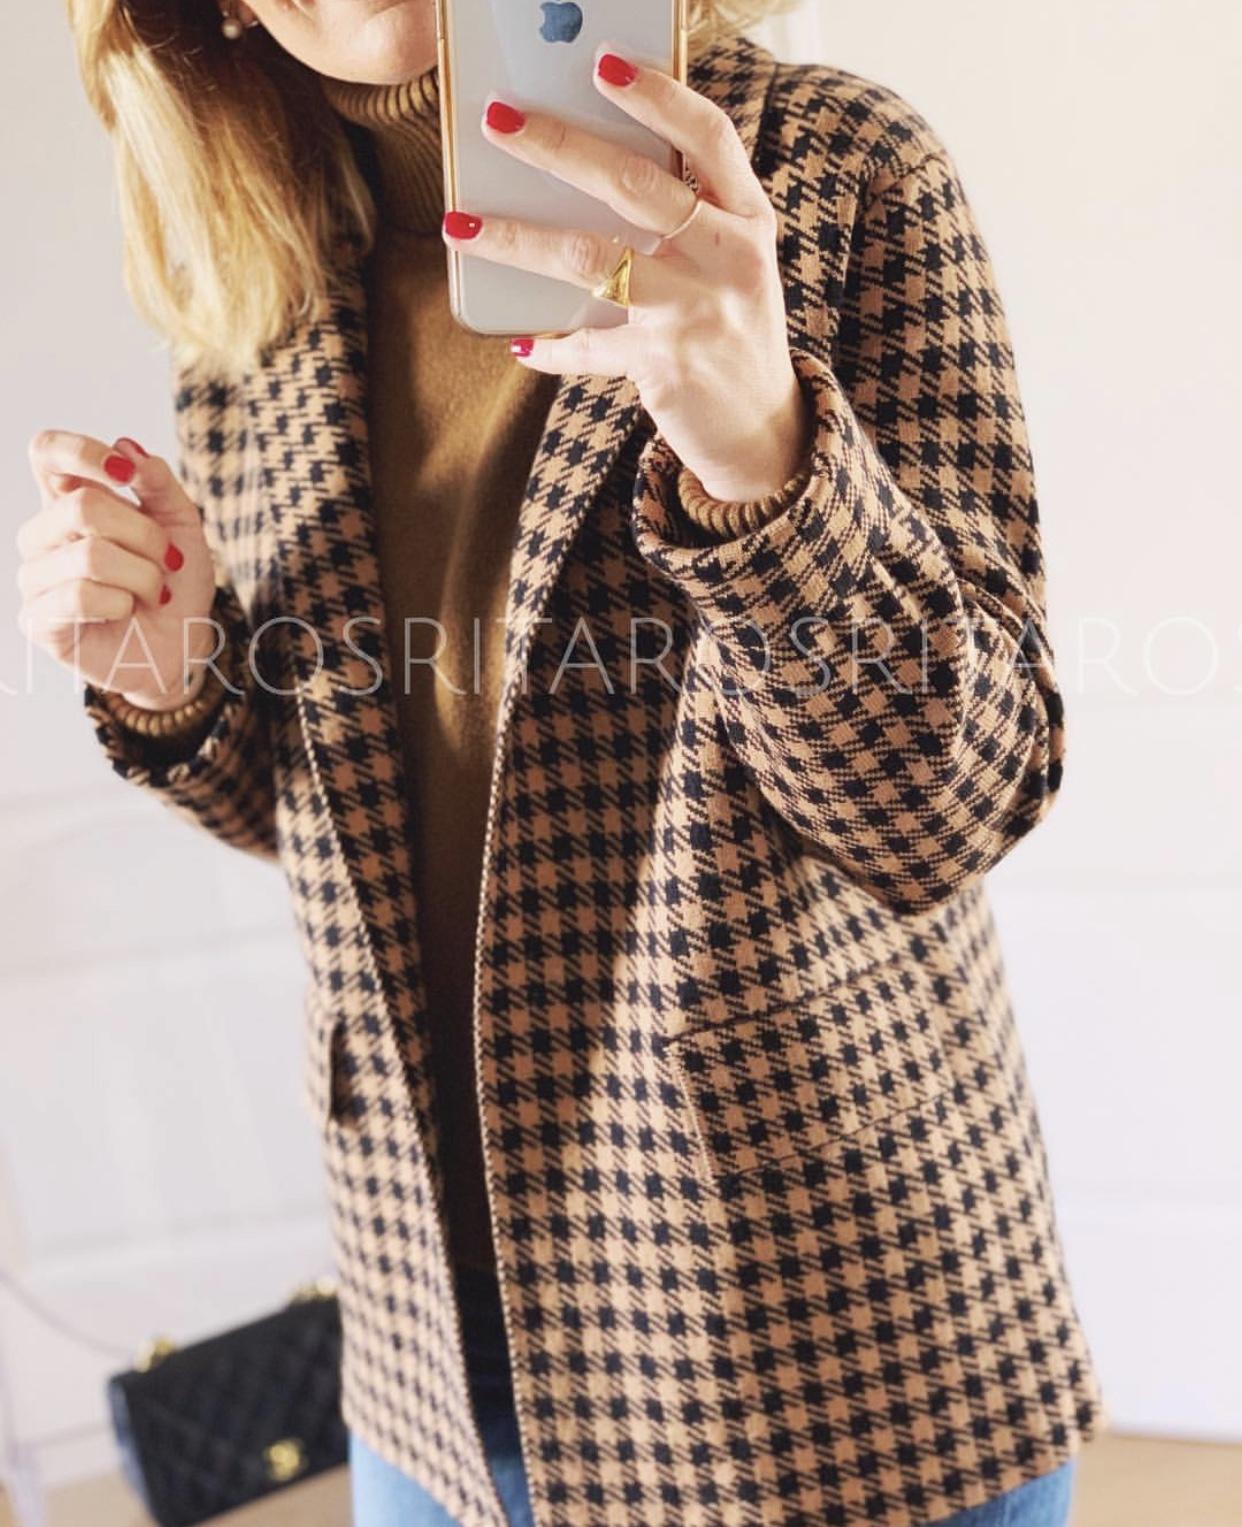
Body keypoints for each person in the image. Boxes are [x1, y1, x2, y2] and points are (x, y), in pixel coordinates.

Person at [17, 0, 1104, 1522]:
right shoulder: (257, 294)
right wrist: (175, 680)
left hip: (805, 1333)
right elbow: (333, 820)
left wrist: (764, 458)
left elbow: (947, 806)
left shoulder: (827, 172)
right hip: (426, 1356)